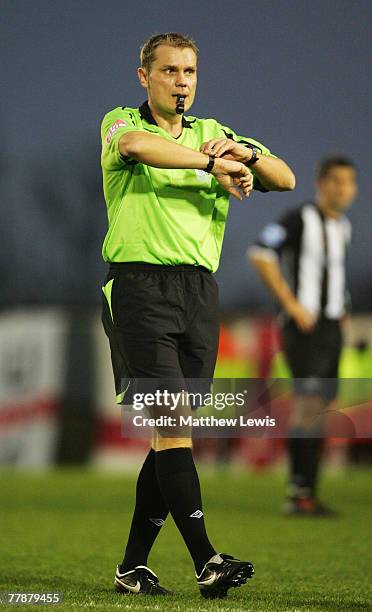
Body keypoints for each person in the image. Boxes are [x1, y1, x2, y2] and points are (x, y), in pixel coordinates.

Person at [100, 31, 295, 598]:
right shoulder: (119, 121)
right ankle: (207, 560)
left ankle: (131, 568)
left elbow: (284, 177)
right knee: (174, 424)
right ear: (145, 77)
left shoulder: (217, 134)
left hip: (197, 294)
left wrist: (244, 156)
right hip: (139, 288)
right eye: (169, 72)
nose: (180, 82)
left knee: (170, 438)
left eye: (189, 72)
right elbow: (138, 147)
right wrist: (211, 167)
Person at [248, 156, 358, 516]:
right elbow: (261, 253)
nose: (344, 189)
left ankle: (307, 488)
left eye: (350, 183)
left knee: (322, 405)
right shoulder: (300, 218)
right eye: (337, 181)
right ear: (322, 183)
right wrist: (292, 305)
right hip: (302, 327)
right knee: (307, 403)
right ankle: (299, 492)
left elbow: (333, 276)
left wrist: (341, 308)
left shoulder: (343, 227)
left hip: (329, 328)